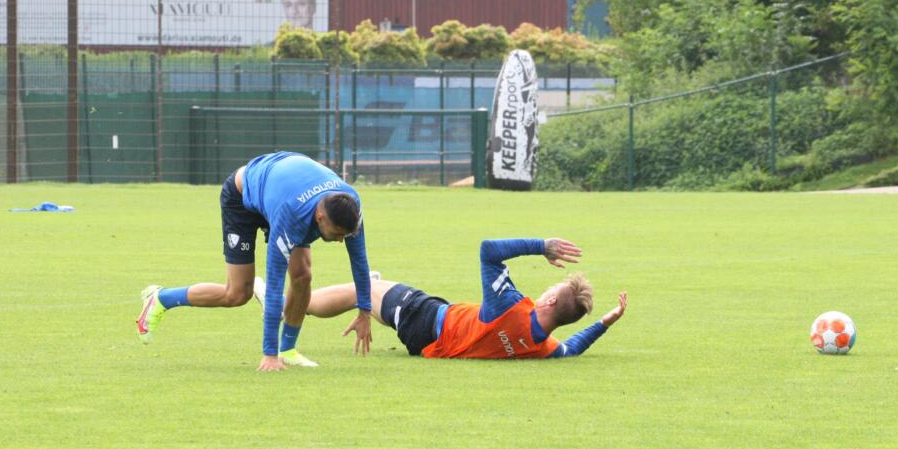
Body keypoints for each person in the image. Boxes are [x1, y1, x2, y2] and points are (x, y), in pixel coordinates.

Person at [136, 152, 373, 372]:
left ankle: (288, 350)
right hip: (243, 197)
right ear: (320, 217)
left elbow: (360, 261)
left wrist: (364, 311)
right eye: (337, 234)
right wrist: (268, 355)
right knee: (237, 294)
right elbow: (274, 285)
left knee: (303, 276)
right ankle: (161, 298)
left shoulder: (350, 204)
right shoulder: (291, 215)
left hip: (281, 188)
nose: (342, 241)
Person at [255, 238, 627, 359]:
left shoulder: (509, 307)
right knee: (374, 289)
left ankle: (269, 299)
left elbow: (488, 250)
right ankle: (375, 286)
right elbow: (572, 349)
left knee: (360, 292)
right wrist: (604, 323)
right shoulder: (542, 346)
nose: (542, 292)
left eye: (548, 291)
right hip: (431, 336)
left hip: (424, 317)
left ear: (547, 304)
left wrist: (540, 246)